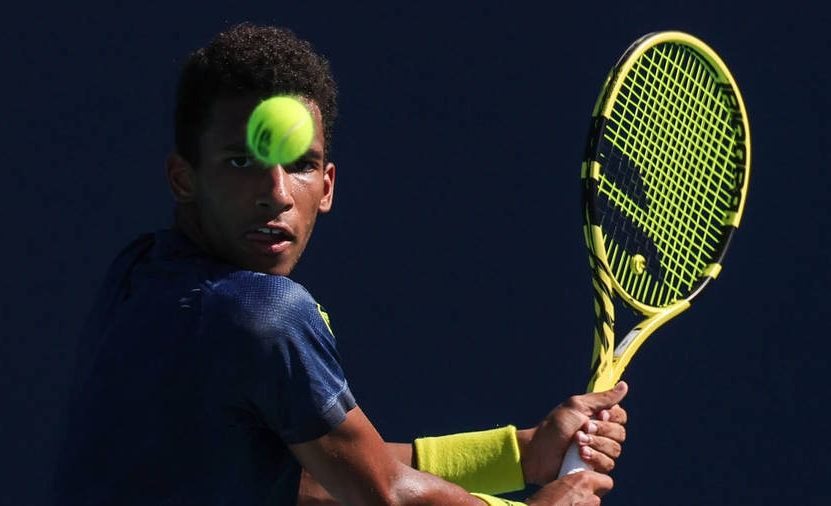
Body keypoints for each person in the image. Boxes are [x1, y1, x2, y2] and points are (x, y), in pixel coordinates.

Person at [51, 23, 629, 506]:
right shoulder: (263, 315)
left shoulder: (139, 274)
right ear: (185, 177)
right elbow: (378, 494)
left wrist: (521, 454)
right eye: (240, 161)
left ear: (326, 186)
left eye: (299, 165)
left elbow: (306, 475)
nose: (276, 192)